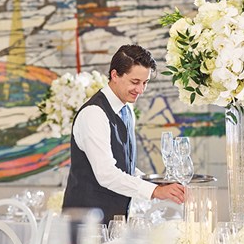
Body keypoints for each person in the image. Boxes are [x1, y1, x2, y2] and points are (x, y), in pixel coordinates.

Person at [63, 44, 185, 223]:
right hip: (85, 225)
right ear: (115, 75)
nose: (141, 90)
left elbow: (124, 167)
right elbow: (107, 174)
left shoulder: (126, 110)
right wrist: (155, 192)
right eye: (135, 82)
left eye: (145, 83)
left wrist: (156, 183)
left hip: (113, 222)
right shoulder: (94, 114)